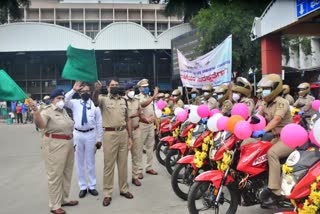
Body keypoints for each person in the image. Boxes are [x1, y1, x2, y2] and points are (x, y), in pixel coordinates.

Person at [30, 88, 78, 214]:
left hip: (68, 143)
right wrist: (36, 112)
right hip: (54, 145)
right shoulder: (47, 111)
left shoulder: (63, 111)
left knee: (67, 173)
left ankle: (64, 199)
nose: (61, 101)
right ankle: (55, 205)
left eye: (62, 98)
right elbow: (41, 125)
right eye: (58, 98)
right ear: (52, 100)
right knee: (55, 175)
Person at [251, 74, 293, 209]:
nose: (264, 91)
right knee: (258, 150)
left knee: (272, 153)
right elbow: (256, 117)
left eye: (267, 88)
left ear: (275, 88)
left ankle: (275, 192)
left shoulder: (282, 102)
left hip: (289, 138)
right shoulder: (264, 103)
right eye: (263, 89)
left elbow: (276, 120)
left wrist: (263, 130)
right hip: (276, 137)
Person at [92, 78, 133, 207]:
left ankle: (124, 189)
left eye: (117, 85)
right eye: (112, 85)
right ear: (108, 87)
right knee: (109, 165)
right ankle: (107, 193)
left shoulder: (124, 100)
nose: (115, 87)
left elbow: (127, 119)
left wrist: (130, 136)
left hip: (123, 133)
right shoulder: (104, 99)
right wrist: (96, 90)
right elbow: (94, 101)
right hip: (109, 134)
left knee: (123, 163)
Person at [64, 81, 103, 198]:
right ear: (79, 93)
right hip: (78, 134)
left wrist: (99, 139)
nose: (85, 93)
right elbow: (65, 101)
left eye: (87, 91)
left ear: (90, 92)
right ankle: (82, 186)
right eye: (82, 91)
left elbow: (99, 124)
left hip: (90, 135)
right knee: (79, 162)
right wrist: (74, 90)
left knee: (90, 162)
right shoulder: (75, 103)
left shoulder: (95, 107)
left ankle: (92, 186)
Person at [136, 78, 159, 177]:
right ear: (140, 88)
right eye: (144, 87)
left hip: (150, 126)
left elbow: (153, 112)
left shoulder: (149, 97)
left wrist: (157, 125)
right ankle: (138, 170)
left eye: (147, 87)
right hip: (142, 125)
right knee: (139, 148)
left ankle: (149, 167)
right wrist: (154, 96)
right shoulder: (138, 98)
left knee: (150, 147)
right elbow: (143, 104)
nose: (146, 88)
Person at [124, 83, 145, 186]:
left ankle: (135, 176)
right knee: (123, 157)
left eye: (132, 89)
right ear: (125, 91)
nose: (131, 91)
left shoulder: (137, 101)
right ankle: (123, 180)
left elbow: (141, 114)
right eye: (128, 89)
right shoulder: (122, 101)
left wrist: (145, 118)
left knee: (136, 154)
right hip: (125, 132)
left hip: (136, 130)